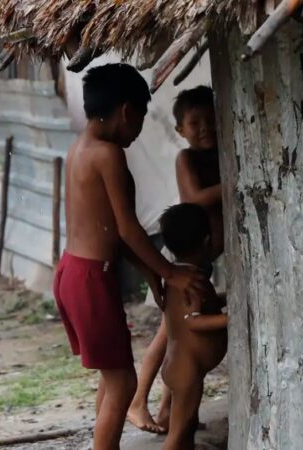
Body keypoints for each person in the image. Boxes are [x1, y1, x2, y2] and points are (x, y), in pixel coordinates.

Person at [53, 63, 207, 450]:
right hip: (91, 278)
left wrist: (150, 272)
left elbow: (109, 232)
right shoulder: (109, 155)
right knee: (124, 383)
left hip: (72, 271)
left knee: (113, 378)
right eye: (140, 119)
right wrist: (170, 271)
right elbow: (128, 229)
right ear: (126, 111)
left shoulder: (79, 148)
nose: (138, 130)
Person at [129, 86, 223, 434]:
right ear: (180, 130)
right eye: (195, 123)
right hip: (182, 260)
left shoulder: (219, 154)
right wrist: (235, 182)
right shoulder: (187, 159)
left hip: (202, 261)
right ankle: (138, 401)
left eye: (211, 120)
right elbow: (195, 199)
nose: (205, 128)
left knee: (178, 341)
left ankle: (171, 410)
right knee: (168, 336)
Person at [158, 203, 227, 450]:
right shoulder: (192, 281)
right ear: (208, 241)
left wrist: (226, 298)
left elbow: (202, 307)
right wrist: (230, 319)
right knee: (176, 436)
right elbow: (194, 320)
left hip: (180, 367)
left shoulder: (179, 276)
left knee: (187, 427)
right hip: (186, 370)